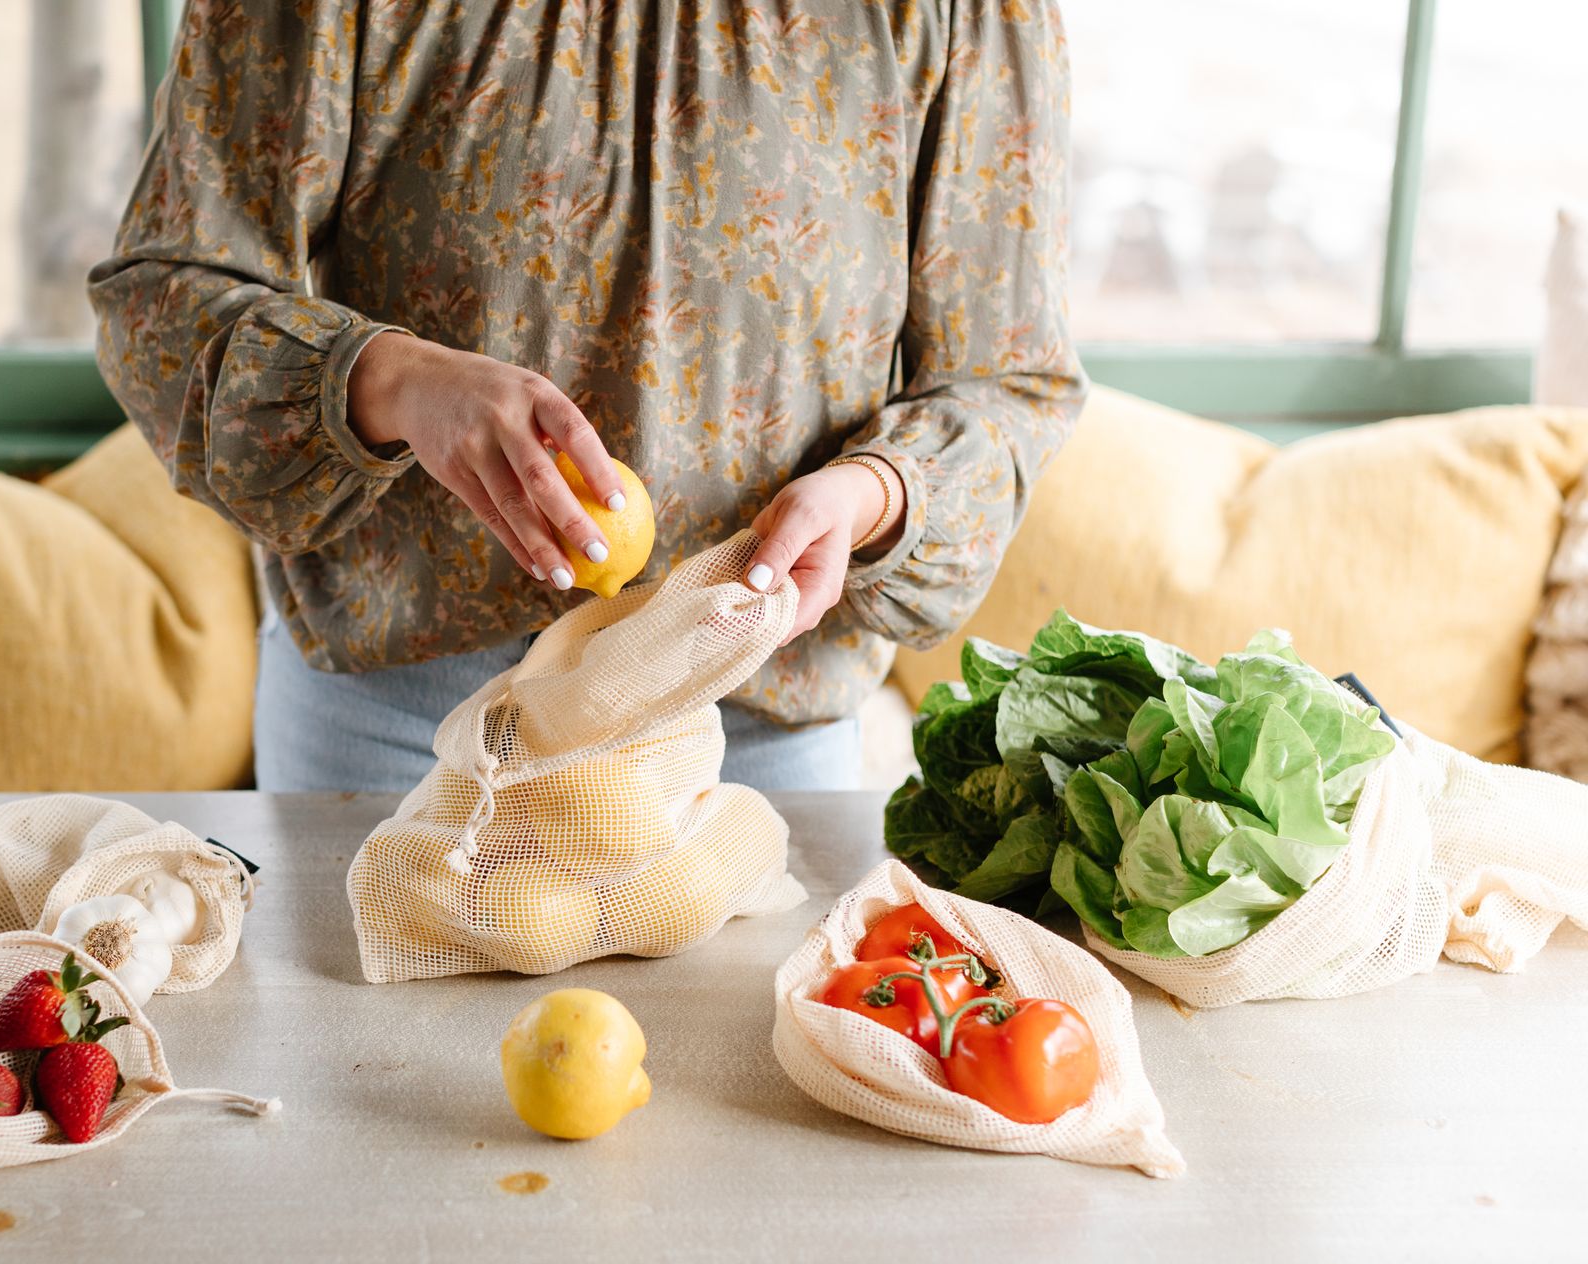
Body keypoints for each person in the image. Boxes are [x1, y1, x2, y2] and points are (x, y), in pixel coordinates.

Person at [90, 0, 1084, 793]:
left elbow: (1006, 382)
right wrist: (392, 380)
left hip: (756, 727)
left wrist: (873, 493)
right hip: (399, 727)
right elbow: (161, 300)